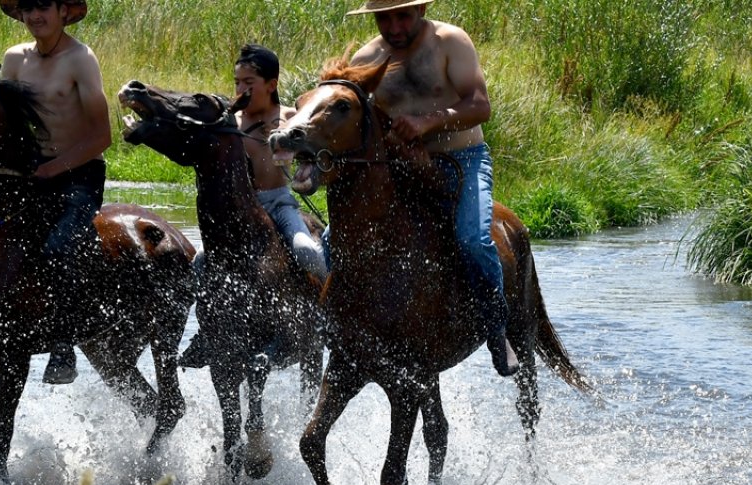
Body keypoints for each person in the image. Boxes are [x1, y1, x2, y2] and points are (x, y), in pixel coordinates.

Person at [347, 0, 519, 376]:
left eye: (402, 16)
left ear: (421, 9)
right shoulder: (367, 58)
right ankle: (347, 328)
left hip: (462, 160)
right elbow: (350, 114)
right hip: (399, 168)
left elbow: (479, 105)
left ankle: (496, 328)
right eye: (384, 18)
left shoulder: (450, 41)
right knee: (333, 240)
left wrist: (427, 122)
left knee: (473, 239)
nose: (393, 27)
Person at [0, 0, 111, 384]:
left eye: (43, 6)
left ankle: (63, 348)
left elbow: (102, 137)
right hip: (29, 173)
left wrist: (51, 169)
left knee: (59, 248)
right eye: (28, 8)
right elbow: (6, 124)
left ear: (64, 11)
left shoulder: (81, 59)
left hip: (78, 175)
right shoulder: (14, 59)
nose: (35, 16)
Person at [178, 44, 328, 369]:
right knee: (200, 264)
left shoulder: (288, 116)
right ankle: (205, 334)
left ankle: (327, 318)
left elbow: (311, 157)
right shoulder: (231, 121)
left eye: (249, 82)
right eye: (237, 83)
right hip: (242, 213)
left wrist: (292, 147)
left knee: (307, 251)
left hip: (279, 203)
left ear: (271, 84)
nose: (241, 89)